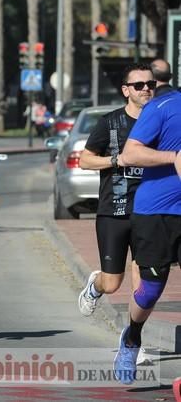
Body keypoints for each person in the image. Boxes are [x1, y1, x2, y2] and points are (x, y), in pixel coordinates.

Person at [113, 59, 181, 384]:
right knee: (151, 289)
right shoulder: (164, 106)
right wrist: (174, 157)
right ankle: (132, 337)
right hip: (158, 212)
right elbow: (130, 154)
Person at [77, 63, 153, 319]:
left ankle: (134, 339)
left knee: (142, 278)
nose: (146, 90)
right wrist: (115, 160)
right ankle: (95, 285)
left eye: (151, 85)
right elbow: (85, 160)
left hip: (147, 211)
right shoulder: (110, 122)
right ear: (125, 90)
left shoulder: (162, 122)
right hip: (114, 210)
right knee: (112, 283)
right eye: (139, 85)